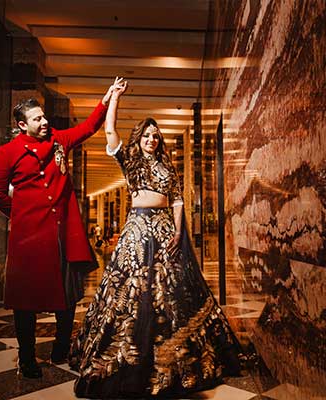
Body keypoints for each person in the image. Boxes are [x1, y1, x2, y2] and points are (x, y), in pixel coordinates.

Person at [69, 79, 243, 398]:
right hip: (137, 231)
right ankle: (128, 359)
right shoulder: (130, 161)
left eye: (155, 136)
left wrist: (177, 231)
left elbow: (177, 199)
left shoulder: (167, 166)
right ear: (140, 139)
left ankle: (176, 358)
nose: (151, 139)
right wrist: (114, 98)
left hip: (164, 231)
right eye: (147, 135)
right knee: (132, 291)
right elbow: (110, 131)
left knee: (171, 290)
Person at [0, 79, 123, 379]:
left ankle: (61, 347)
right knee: (25, 300)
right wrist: (20, 213)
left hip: (63, 234)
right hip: (29, 238)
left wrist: (107, 98)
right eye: (37, 119)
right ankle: (26, 357)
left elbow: (88, 127)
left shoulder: (58, 139)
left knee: (68, 294)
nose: (44, 122)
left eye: (44, 116)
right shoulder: (9, 152)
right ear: (23, 125)